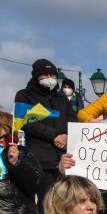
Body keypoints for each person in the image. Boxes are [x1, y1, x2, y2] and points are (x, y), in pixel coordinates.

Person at [13, 58, 75, 203]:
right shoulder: (24, 95)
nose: (49, 79)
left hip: (65, 159)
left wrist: (66, 135)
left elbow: (72, 120)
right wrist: (54, 135)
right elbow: (27, 123)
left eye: (52, 76)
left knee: (67, 203)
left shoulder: (62, 99)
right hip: (41, 160)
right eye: (44, 76)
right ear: (36, 77)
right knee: (46, 202)